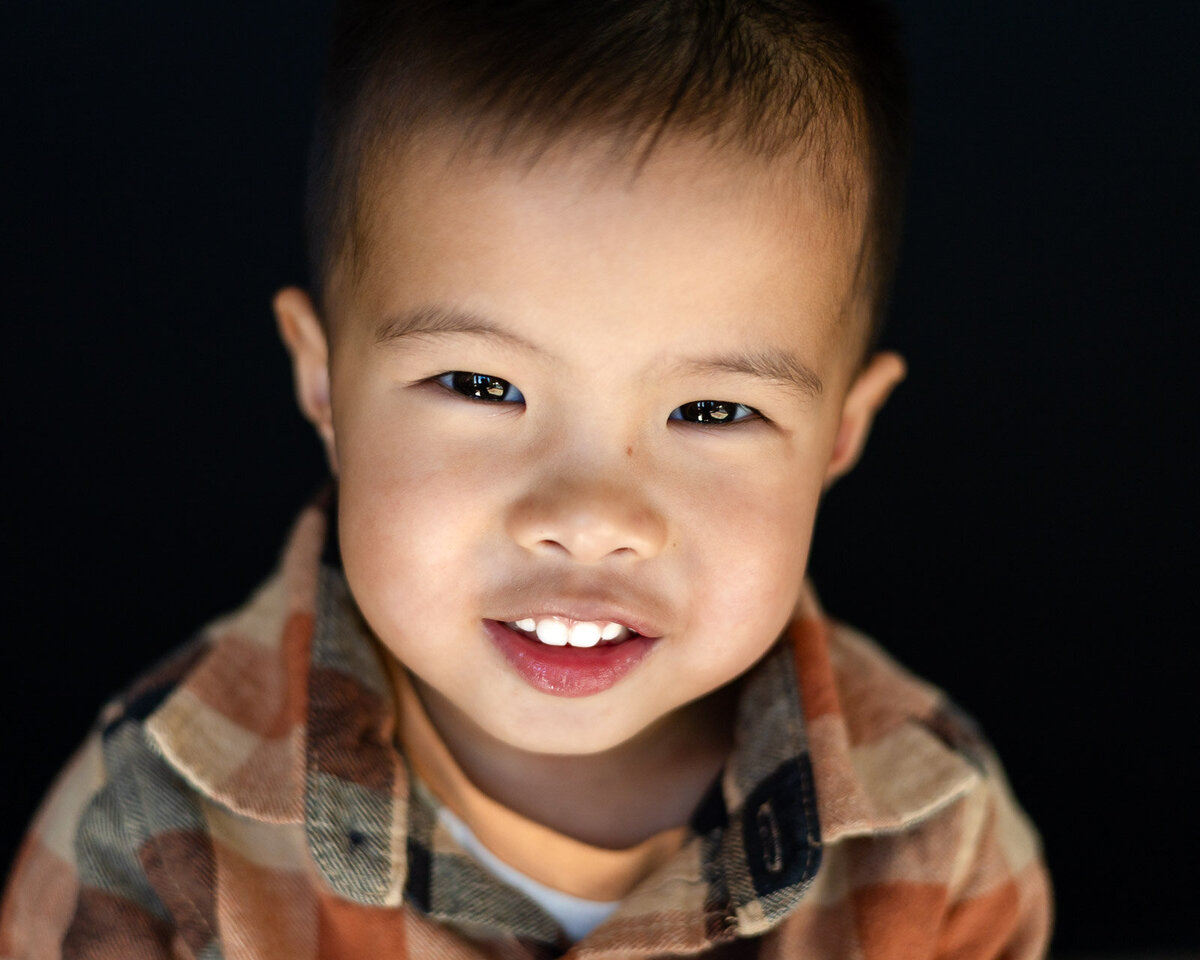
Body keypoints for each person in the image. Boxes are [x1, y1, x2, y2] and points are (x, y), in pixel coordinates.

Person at [0, 1, 1052, 956]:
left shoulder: (935, 837)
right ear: (324, 383)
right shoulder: (152, 823)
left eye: (714, 411)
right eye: (479, 384)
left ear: (837, 437)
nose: (590, 519)